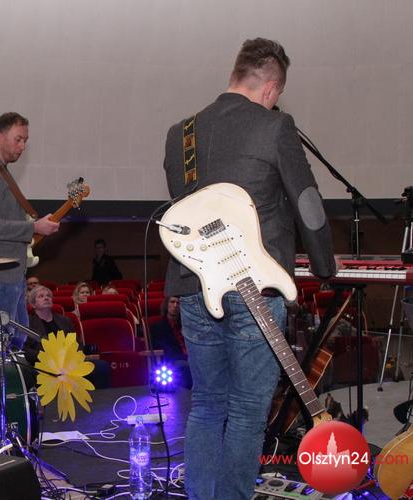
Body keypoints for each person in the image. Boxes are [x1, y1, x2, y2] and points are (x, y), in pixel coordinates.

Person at [162, 38, 336, 499]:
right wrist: (324, 267)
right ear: (271, 89)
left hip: (196, 286)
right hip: (255, 288)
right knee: (245, 411)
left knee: (206, 405)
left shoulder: (180, 134)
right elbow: (307, 204)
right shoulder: (276, 126)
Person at [0, 112, 59, 350]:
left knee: (16, 336)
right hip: (0, 270)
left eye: (25, 140)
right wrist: (34, 227)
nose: (23, 146)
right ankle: (1, 376)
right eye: (18, 139)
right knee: (3, 341)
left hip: (8, 270)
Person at [24, 285, 109, 389]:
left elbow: (77, 344)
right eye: (41, 296)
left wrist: (72, 358)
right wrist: (44, 356)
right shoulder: (28, 323)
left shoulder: (64, 320)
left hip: (69, 363)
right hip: (44, 364)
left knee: (101, 366)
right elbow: (25, 349)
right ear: (33, 304)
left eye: (48, 296)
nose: (46, 298)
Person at [149, 296, 191, 389]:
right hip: (171, 361)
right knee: (187, 367)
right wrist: (186, 357)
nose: (175, 305)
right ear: (166, 305)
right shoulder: (157, 327)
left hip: (190, 358)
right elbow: (164, 349)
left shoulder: (186, 325)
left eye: (178, 303)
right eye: (172, 302)